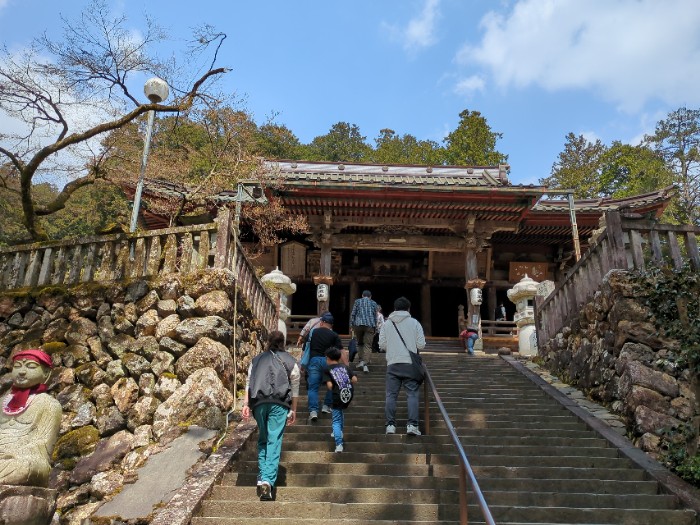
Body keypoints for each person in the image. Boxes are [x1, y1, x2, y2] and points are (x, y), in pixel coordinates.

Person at [242, 331, 300, 501]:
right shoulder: (291, 361)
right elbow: (295, 388)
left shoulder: (256, 360)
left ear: (268, 342)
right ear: (283, 343)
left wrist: (245, 404)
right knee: (274, 440)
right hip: (279, 404)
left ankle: (262, 475)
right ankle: (267, 479)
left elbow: (249, 383)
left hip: (258, 403)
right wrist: (293, 409)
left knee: (263, 438)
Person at [0, 349, 62, 487]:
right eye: (17, 366)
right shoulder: (1, 402)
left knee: (26, 466)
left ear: (46, 373)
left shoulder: (49, 404)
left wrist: (15, 452)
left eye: (30, 366)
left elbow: (43, 444)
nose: (22, 371)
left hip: (21, 459)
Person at [378, 296, 425, 436]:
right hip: (410, 364)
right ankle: (412, 425)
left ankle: (390, 425)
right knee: (412, 394)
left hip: (393, 363)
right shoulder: (415, 323)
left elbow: (382, 345)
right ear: (408, 309)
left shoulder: (387, 324)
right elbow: (421, 345)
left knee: (391, 395)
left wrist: (393, 349)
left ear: (395, 308)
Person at [306, 311, 343, 420]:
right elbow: (340, 351)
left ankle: (313, 411)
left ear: (322, 322)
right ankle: (326, 405)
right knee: (332, 384)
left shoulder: (313, 332)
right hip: (329, 361)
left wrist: (303, 364)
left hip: (314, 360)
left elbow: (306, 348)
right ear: (331, 325)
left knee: (313, 387)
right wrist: (345, 365)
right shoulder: (334, 335)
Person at [324, 346, 358, 453]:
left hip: (337, 395)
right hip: (348, 394)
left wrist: (334, 384)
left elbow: (329, 386)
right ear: (339, 358)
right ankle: (339, 432)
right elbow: (355, 379)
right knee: (340, 411)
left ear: (328, 358)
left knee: (336, 421)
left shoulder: (327, 369)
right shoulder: (345, 367)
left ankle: (339, 444)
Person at [350, 290, 378, 373]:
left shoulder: (357, 301)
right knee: (368, 345)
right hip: (370, 325)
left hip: (358, 325)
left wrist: (351, 325)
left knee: (360, 343)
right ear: (370, 296)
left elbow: (353, 314)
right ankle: (365, 363)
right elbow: (375, 316)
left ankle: (361, 361)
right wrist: (375, 327)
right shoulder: (373, 303)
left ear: (362, 295)